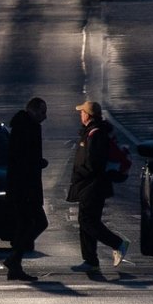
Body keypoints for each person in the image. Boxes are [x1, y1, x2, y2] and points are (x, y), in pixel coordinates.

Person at [66, 101, 130, 274]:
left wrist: (80, 172)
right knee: (86, 221)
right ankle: (90, 260)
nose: (80, 114)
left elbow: (93, 163)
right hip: (89, 184)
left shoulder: (95, 134)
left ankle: (117, 243)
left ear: (88, 115)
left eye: (82, 112)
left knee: (87, 221)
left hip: (92, 185)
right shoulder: (91, 132)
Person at [2, 97, 49, 282]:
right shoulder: (26, 128)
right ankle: (14, 258)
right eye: (42, 112)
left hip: (23, 186)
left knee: (25, 225)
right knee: (38, 222)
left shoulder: (25, 126)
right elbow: (22, 159)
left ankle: (15, 265)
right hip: (25, 188)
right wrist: (38, 163)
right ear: (33, 111)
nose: (45, 116)